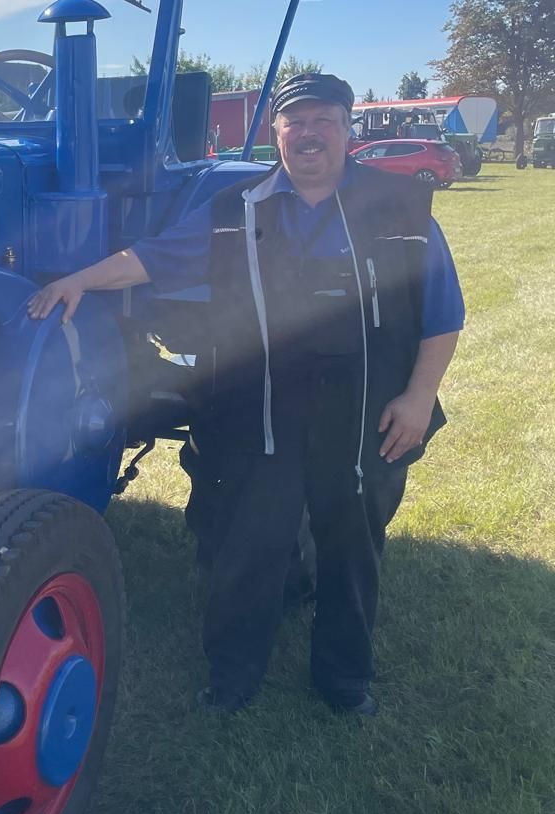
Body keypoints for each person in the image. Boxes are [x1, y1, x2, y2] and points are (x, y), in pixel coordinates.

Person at [28, 72, 463, 717]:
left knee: (351, 547)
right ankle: (232, 679)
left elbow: (444, 313)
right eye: (296, 122)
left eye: (324, 120)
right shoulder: (237, 208)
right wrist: (79, 281)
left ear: (347, 129)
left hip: (364, 407)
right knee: (249, 543)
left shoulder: (401, 208)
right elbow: (150, 258)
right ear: (276, 133)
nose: (309, 133)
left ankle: (344, 683)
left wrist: (420, 397)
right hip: (263, 407)